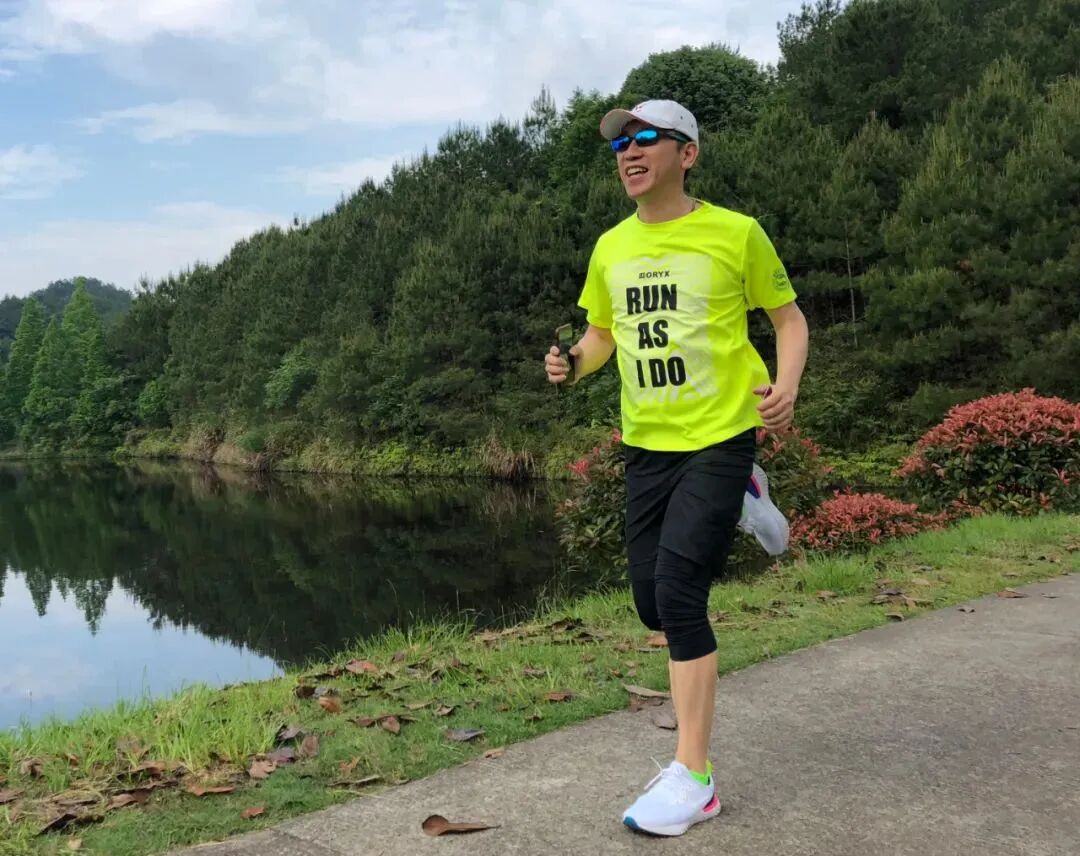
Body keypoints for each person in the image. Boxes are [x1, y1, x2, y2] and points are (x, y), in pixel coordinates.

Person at [544, 99, 808, 837]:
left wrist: (786, 388)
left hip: (721, 434)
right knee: (650, 604)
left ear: (686, 153)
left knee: (681, 597)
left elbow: (788, 318)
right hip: (648, 443)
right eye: (619, 144)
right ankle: (749, 497)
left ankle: (694, 775)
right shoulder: (611, 247)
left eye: (645, 138)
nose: (629, 152)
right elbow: (602, 334)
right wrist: (572, 364)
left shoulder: (735, 233)